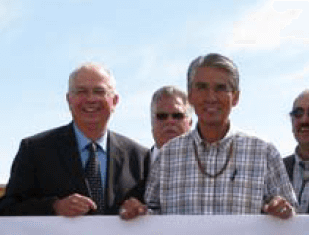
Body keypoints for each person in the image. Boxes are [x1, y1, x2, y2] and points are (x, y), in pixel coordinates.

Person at [125, 53, 296, 219]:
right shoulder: (168, 155)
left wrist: (280, 209)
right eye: (202, 88)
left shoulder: (264, 152)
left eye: (221, 88)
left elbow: (294, 215)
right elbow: (153, 217)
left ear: (235, 97)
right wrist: (139, 212)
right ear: (190, 96)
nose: (211, 97)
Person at [0, 62, 149, 217]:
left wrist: (142, 210)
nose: (90, 99)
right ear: (69, 100)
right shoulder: (35, 150)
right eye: (81, 91)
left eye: (99, 91)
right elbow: (6, 210)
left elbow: (155, 211)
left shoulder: (140, 157)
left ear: (115, 101)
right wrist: (54, 207)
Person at [150, 86, 193, 157]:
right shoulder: (134, 166)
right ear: (152, 122)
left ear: (190, 123)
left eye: (177, 116)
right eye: (162, 116)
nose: (169, 121)